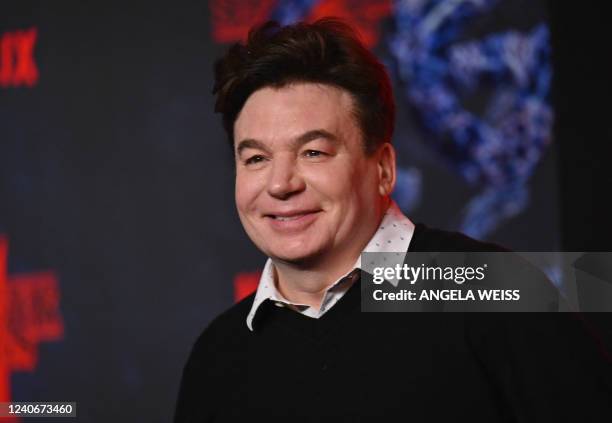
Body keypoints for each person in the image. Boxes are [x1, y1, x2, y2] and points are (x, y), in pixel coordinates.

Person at [174, 18, 611, 422]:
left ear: (383, 168)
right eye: (255, 158)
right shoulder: (218, 355)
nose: (280, 184)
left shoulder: (498, 292)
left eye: (313, 152)